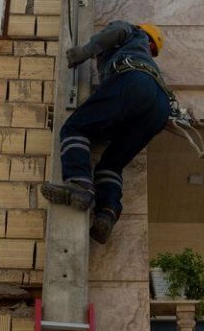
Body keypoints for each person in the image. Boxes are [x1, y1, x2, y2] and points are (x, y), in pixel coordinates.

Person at [42, 21, 173, 244]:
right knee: (112, 164)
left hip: (134, 82)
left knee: (75, 127)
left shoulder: (133, 31)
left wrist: (83, 52)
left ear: (146, 38)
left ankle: (79, 185)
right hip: (161, 106)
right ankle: (107, 212)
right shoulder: (147, 59)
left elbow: (116, 32)